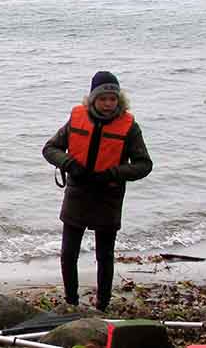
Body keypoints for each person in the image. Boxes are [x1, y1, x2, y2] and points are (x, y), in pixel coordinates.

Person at [42, 71, 153, 312]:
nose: (108, 103)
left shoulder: (129, 127)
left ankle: (102, 305)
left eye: (113, 98)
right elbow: (50, 148)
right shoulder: (77, 119)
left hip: (108, 196)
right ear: (92, 99)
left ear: (119, 100)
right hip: (77, 193)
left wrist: (115, 173)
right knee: (68, 253)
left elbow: (144, 165)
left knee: (105, 255)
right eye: (103, 98)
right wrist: (69, 163)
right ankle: (71, 301)